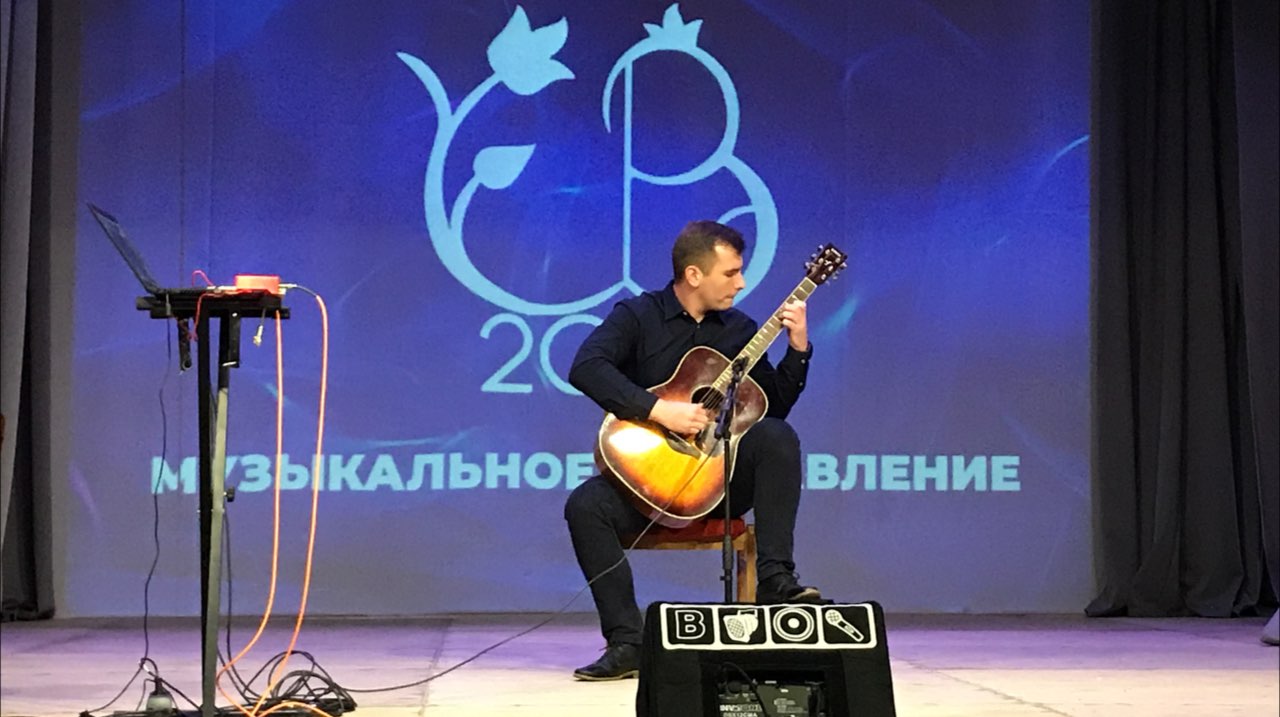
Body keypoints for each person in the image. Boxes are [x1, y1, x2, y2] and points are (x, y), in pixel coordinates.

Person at [563, 220, 824, 681]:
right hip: (647, 482)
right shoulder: (638, 316)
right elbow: (586, 367)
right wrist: (658, 410)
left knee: (776, 435)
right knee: (585, 506)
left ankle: (776, 582)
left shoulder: (741, 330)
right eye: (731, 273)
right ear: (694, 275)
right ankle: (627, 642)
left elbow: (771, 405)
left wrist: (798, 347)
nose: (741, 283)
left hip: (718, 482)